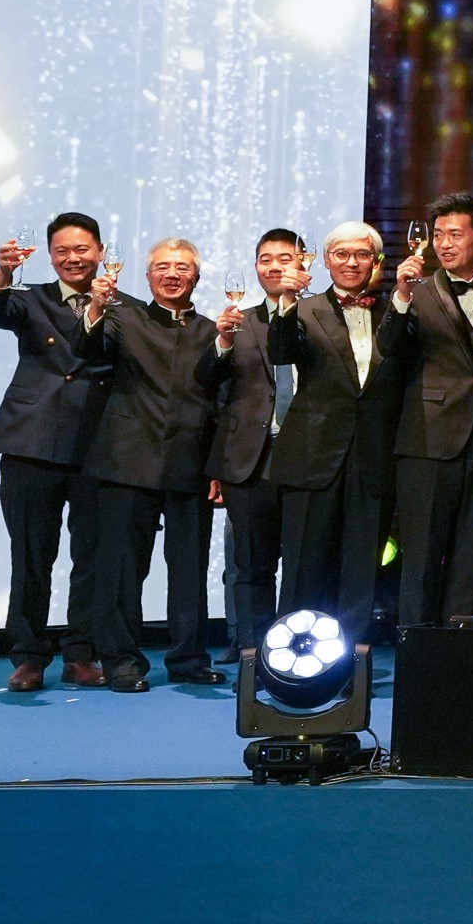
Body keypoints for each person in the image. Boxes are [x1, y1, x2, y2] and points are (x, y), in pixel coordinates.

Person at [0, 213, 114, 691]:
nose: (73, 259)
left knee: (92, 557)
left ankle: (81, 653)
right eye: (62, 251)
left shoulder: (121, 306)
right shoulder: (27, 299)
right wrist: (3, 275)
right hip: (30, 442)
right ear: (51, 256)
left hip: (97, 446)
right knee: (31, 555)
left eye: (82, 250)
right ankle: (29, 656)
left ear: (100, 251)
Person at [77, 239, 225, 691]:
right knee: (122, 569)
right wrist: (96, 307)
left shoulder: (212, 332)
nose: (172, 274)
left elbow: (222, 403)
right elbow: (89, 350)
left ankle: (189, 659)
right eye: (162, 266)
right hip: (125, 462)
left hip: (190, 465)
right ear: (148, 277)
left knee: (189, 570)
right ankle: (121, 661)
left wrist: (218, 466)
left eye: (182, 267)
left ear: (196, 277)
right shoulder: (122, 317)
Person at [263, 221, 413, 634]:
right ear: (326, 260)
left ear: (376, 262)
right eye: (342, 254)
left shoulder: (396, 312)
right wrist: (287, 299)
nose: (351, 262)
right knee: (301, 572)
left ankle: (348, 666)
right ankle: (289, 664)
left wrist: (402, 298)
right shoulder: (303, 309)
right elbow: (281, 352)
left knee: (362, 574)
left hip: (374, 460)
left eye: (362, 254)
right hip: (313, 458)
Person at [385, 193, 473, 628]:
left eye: (454, 234)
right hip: (427, 443)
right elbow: (389, 348)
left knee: (468, 561)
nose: (443, 243)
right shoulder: (416, 294)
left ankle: (453, 658)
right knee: (421, 559)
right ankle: (418, 654)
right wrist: (401, 297)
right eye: (437, 234)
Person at [208, 229, 305, 664]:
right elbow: (214, 393)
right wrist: (222, 344)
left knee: (304, 567)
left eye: (284, 258)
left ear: (303, 264)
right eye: (265, 259)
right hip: (250, 459)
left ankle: (296, 656)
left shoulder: (322, 315)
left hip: (309, 459)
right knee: (250, 568)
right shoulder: (237, 321)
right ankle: (253, 656)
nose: (274, 267)